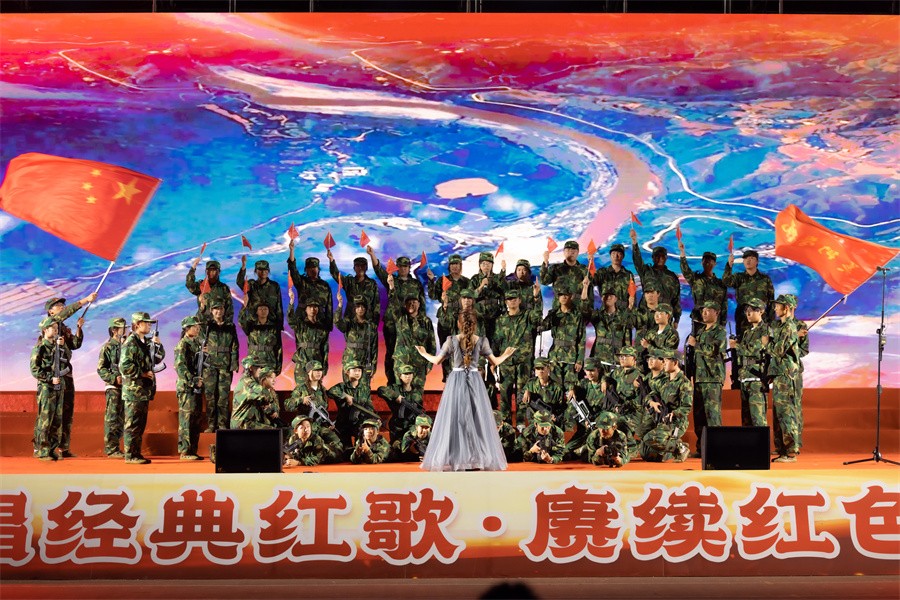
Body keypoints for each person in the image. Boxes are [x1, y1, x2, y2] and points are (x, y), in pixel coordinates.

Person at [414, 309, 516, 471]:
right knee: (477, 419)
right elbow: (495, 361)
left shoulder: (451, 340)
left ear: (458, 324)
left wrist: (424, 353)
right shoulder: (481, 341)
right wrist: (505, 354)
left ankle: (456, 458)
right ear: (475, 325)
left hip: (456, 381)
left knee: (455, 418)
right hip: (475, 381)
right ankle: (477, 458)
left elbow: (437, 361)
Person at [42, 292, 97, 458]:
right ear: (51, 311)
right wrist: (85, 300)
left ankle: (63, 447)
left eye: (62, 305)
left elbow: (75, 344)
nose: (62, 307)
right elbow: (65, 314)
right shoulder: (48, 323)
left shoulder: (63, 328)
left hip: (66, 373)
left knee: (67, 410)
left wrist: (79, 328)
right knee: (53, 413)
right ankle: (46, 448)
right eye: (58, 306)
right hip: (54, 374)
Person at [370, 248, 425, 385]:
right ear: (397, 267)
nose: (403, 269)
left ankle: (407, 383)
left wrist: (421, 322)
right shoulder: (391, 280)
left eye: (405, 266)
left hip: (410, 324)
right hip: (392, 323)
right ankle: (392, 382)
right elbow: (378, 269)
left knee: (410, 352)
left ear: (409, 268)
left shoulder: (415, 284)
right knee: (391, 352)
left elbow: (421, 304)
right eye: (400, 266)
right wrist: (372, 254)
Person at [119, 312, 165, 465]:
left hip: (143, 390)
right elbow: (124, 366)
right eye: (146, 323)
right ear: (137, 324)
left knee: (139, 424)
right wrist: (142, 373)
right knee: (132, 424)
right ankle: (130, 455)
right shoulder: (131, 343)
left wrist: (158, 345)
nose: (149, 325)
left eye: (150, 323)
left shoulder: (146, 342)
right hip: (134, 390)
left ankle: (135, 453)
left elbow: (158, 358)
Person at [493, 285, 543, 425]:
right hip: (506, 363)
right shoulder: (501, 320)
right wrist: (494, 361)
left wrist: (536, 297)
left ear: (520, 300)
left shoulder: (528, 316)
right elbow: (496, 341)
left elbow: (538, 316)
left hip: (523, 363)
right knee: (505, 395)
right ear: (506, 302)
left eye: (515, 299)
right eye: (509, 299)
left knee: (522, 394)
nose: (512, 301)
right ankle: (506, 424)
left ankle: (520, 423)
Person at [687, 301, 727, 456]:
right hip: (699, 378)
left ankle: (716, 450)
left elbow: (714, 351)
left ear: (716, 313)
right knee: (699, 416)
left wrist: (696, 344)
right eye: (703, 310)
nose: (704, 313)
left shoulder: (719, 331)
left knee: (713, 416)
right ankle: (702, 447)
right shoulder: (700, 331)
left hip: (712, 377)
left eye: (708, 310)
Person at [285, 360, 343, 463]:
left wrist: (328, 424)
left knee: (337, 445)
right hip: (305, 427)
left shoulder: (323, 390)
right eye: (316, 370)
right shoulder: (301, 389)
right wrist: (301, 400)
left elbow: (323, 411)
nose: (319, 373)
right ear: (309, 372)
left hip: (319, 426)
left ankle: (321, 454)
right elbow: (287, 405)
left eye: (320, 370)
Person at [639, 349, 691, 463]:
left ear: (675, 362)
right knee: (645, 453)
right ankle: (667, 452)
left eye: (666, 361)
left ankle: (680, 447)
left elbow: (686, 407)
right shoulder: (665, 381)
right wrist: (651, 402)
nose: (664, 363)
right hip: (663, 419)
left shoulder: (684, 382)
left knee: (649, 438)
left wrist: (674, 413)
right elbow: (651, 394)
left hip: (676, 422)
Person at [426, 254, 470, 381]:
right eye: (452, 264)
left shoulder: (466, 282)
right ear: (449, 266)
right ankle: (448, 380)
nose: (454, 267)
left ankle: (462, 379)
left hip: (461, 320)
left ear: (460, 266)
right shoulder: (443, 280)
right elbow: (433, 295)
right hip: (445, 319)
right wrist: (431, 280)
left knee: (462, 350)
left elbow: (472, 298)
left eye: (457, 264)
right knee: (446, 350)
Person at [770, 294, 801, 463]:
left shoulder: (788, 327)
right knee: (779, 413)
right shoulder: (782, 327)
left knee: (786, 412)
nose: (775, 308)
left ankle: (790, 452)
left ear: (786, 308)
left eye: (778, 305)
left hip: (786, 375)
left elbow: (778, 351)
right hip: (779, 374)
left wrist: (767, 343)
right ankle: (782, 450)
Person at [731, 298, 771, 427]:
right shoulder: (747, 332)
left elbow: (756, 350)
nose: (748, 313)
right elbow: (742, 355)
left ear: (761, 311)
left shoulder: (765, 330)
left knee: (758, 420)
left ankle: (762, 441)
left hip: (757, 379)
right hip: (745, 378)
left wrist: (737, 346)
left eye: (752, 310)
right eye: (746, 310)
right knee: (746, 422)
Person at [538, 284, 586, 390]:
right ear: (558, 297)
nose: (563, 297)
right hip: (555, 356)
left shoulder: (577, 315)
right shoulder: (553, 314)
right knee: (555, 388)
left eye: (566, 295)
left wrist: (579, 360)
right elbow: (543, 327)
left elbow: (582, 339)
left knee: (571, 388)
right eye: (561, 295)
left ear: (571, 296)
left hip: (571, 356)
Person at [201, 299, 239, 432]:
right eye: (216, 309)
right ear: (211, 311)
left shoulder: (230, 326)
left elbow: (235, 345)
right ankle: (211, 424)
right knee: (210, 396)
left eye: (221, 308)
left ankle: (222, 424)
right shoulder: (207, 325)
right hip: (209, 365)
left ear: (224, 310)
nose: (218, 311)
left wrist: (234, 363)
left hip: (225, 365)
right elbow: (200, 339)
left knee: (223, 396)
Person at [630, 229, 682, 325]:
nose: (660, 259)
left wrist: (677, 319)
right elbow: (637, 260)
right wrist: (634, 242)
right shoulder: (646, 272)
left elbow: (676, 299)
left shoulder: (672, 277)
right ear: (653, 258)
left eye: (662, 256)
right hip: (646, 316)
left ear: (666, 258)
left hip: (665, 316)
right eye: (657, 256)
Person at [31, 318, 65, 461]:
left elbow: (66, 362)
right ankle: (42, 450)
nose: (56, 330)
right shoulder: (40, 347)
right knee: (45, 418)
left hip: (58, 386)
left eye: (57, 328)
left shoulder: (57, 346)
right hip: (46, 387)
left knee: (57, 418)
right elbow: (35, 369)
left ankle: (51, 449)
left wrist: (62, 347)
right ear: (45, 330)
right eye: (53, 328)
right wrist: (50, 378)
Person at [389, 286, 435, 390]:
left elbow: (431, 344)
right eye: (409, 302)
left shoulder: (426, 321)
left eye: (414, 302)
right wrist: (392, 288)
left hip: (419, 365)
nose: (411, 304)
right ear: (405, 305)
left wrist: (429, 364)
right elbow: (393, 304)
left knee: (417, 394)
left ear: (419, 304)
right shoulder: (400, 318)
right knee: (401, 394)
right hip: (401, 363)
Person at [723, 249, 775, 339]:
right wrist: (729, 266)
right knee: (742, 344)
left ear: (757, 261)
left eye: (751, 258)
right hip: (743, 319)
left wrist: (771, 321)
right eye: (745, 258)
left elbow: (771, 301)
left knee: (761, 345)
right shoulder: (739, 277)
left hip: (761, 319)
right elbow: (726, 282)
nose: (748, 260)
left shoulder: (765, 279)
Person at [581, 282, 631, 371]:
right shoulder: (597, 315)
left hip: (617, 361)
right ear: (602, 298)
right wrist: (585, 288)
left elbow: (627, 340)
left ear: (616, 298)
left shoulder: (623, 317)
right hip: (599, 360)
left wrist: (627, 360)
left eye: (611, 295)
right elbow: (585, 310)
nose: (608, 298)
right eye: (605, 295)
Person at [174, 315, 204, 460]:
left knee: (195, 419)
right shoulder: (182, 345)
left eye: (198, 326)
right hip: (187, 387)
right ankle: (185, 451)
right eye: (194, 326)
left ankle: (192, 450)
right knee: (186, 419)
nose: (197, 328)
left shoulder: (197, 343)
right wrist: (192, 381)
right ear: (187, 329)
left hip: (196, 386)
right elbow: (180, 367)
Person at [329, 360, 376, 450]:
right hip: (343, 424)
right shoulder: (341, 386)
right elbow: (330, 392)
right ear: (347, 372)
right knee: (344, 450)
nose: (357, 373)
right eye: (354, 370)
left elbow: (369, 407)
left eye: (359, 370)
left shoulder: (365, 389)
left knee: (361, 448)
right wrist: (345, 396)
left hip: (358, 424)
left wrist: (373, 419)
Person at [97, 316, 127, 458]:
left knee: (123, 418)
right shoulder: (107, 347)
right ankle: (111, 448)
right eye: (122, 328)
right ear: (114, 330)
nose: (124, 330)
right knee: (113, 417)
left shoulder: (126, 346)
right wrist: (114, 378)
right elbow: (101, 368)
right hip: (113, 387)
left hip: (126, 388)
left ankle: (117, 446)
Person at [287, 290, 331, 381]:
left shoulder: (322, 327)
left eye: (315, 307)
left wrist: (324, 367)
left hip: (317, 362)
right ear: (306, 309)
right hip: (302, 360)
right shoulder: (300, 325)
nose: (312, 309)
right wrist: (291, 301)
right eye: (310, 307)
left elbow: (325, 348)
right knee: (302, 387)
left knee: (315, 387)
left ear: (318, 309)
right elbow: (290, 319)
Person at [679, 242, 727, 325]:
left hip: (715, 323)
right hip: (699, 320)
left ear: (715, 264)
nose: (708, 262)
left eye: (711, 261)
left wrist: (723, 324)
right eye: (705, 260)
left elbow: (724, 306)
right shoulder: (695, 279)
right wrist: (682, 252)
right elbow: (685, 270)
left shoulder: (720, 284)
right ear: (702, 263)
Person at [288, 240, 333, 328]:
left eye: (314, 267)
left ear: (318, 269)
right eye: (309, 268)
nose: (312, 270)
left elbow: (329, 307)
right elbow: (293, 270)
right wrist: (292, 250)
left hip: (320, 321)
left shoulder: (325, 285)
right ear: (306, 270)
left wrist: (328, 326)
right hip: (302, 321)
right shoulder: (301, 282)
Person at [377, 364, 425, 445]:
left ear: (413, 376)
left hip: (412, 425)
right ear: (400, 376)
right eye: (405, 374)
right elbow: (380, 390)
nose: (408, 376)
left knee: (411, 445)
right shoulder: (394, 388)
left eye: (410, 374)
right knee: (396, 446)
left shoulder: (417, 392)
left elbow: (420, 408)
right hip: (397, 425)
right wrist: (396, 396)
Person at [328, 249, 380, 324]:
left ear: (366, 267)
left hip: (367, 321)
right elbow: (336, 275)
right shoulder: (349, 281)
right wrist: (331, 260)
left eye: (363, 265)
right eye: (357, 266)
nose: (360, 268)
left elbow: (376, 304)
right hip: (351, 320)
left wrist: (375, 323)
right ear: (354, 268)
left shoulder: (372, 284)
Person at [335, 294, 378, 381]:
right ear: (354, 308)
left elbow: (374, 348)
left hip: (364, 362)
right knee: (349, 387)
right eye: (358, 306)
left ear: (366, 308)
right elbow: (337, 322)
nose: (360, 309)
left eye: (363, 307)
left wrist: (373, 367)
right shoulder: (349, 323)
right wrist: (340, 305)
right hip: (350, 361)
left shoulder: (371, 326)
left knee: (364, 387)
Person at [540, 240, 591, 311]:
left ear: (578, 252)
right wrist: (545, 262)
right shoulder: (555, 268)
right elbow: (544, 281)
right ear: (564, 252)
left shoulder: (584, 269)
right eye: (568, 250)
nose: (571, 252)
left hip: (577, 309)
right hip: (559, 309)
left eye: (574, 250)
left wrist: (591, 261)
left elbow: (590, 287)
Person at [237, 257, 284, 328]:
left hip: (271, 324)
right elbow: (240, 282)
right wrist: (243, 266)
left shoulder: (274, 286)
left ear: (268, 271)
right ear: (256, 271)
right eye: (260, 270)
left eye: (265, 270)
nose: (263, 272)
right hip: (254, 324)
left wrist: (280, 325)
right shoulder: (251, 285)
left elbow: (279, 306)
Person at [239, 301, 282, 375]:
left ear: (268, 311)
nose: (263, 311)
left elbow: (278, 347)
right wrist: (244, 307)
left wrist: (278, 367)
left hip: (269, 361)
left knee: (267, 381)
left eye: (265, 309)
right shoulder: (250, 326)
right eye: (260, 309)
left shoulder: (274, 327)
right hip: (253, 361)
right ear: (256, 312)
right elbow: (241, 321)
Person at [520, 357, 566, 425]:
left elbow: (562, 408)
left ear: (548, 369)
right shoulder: (530, 384)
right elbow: (520, 401)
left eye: (542, 368)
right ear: (535, 370)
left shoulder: (557, 388)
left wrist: (555, 416)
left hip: (550, 423)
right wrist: (526, 393)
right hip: (534, 423)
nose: (540, 371)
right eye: (538, 368)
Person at [186, 259, 233, 323]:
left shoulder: (223, 288)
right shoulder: (201, 285)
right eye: (209, 270)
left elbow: (229, 308)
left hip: (217, 324)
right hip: (203, 323)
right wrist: (193, 268)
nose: (211, 272)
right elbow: (189, 285)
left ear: (219, 272)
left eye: (214, 270)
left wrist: (227, 324)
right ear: (206, 271)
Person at [592, 243, 633, 312]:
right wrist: (590, 263)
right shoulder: (602, 273)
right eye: (613, 253)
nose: (616, 256)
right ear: (610, 256)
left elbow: (632, 295)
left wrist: (631, 311)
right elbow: (590, 282)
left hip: (622, 313)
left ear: (623, 256)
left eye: (619, 254)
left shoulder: (628, 275)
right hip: (605, 312)